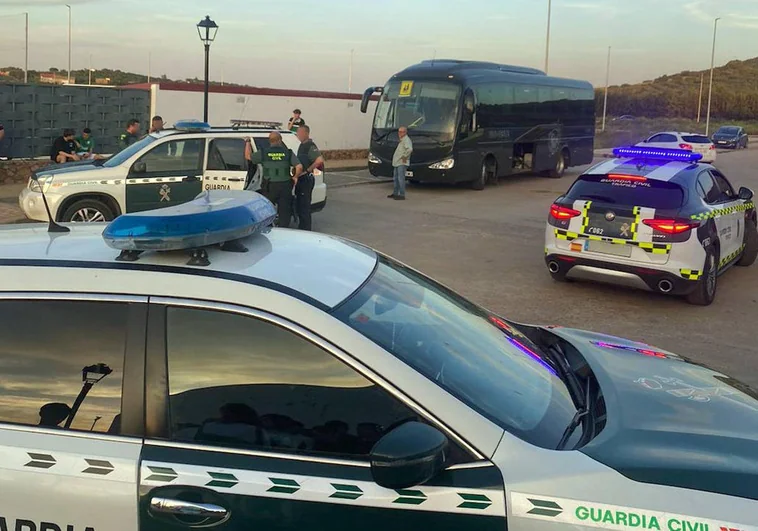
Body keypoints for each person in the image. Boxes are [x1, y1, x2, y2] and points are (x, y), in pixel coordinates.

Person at [245, 132, 303, 228]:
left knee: (267, 209)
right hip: (285, 185)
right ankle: (283, 230)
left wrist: (247, 142)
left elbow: (248, 156)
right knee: (285, 211)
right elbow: (299, 167)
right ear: (280, 140)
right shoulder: (288, 152)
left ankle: (268, 230)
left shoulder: (264, 153)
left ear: (270, 141)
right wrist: (295, 177)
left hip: (270, 186)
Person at [294, 125, 325, 231]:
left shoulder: (310, 146)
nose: (298, 135)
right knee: (301, 206)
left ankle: (305, 230)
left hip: (306, 179)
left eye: (300, 133)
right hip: (301, 180)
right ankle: (302, 227)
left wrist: (307, 171)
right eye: (297, 133)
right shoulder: (302, 145)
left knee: (304, 207)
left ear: (306, 133)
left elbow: (319, 160)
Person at [390, 126, 413, 200]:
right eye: (399, 131)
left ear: (405, 132)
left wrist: (404, 157)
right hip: (397, 162)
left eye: (401, 132)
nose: (399, 133)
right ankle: (395, 193)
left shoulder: (406, 140)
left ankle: (402, 194)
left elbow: (409, 149)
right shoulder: (402, 140)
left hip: (401, 162)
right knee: (396, 178)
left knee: (401, 178)